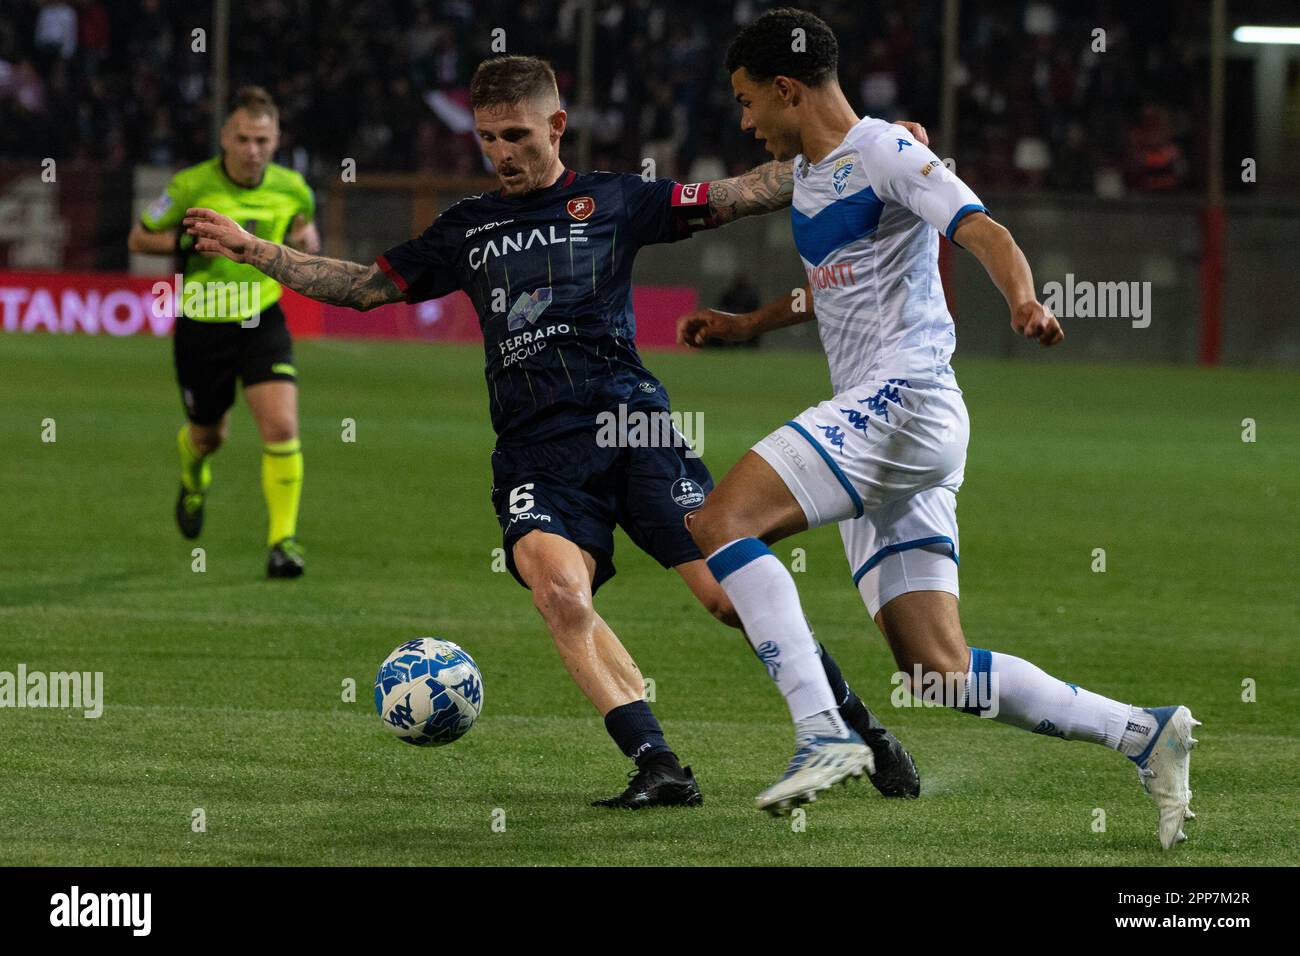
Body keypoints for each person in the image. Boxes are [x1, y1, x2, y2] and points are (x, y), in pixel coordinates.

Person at [183, 56, 924, 809]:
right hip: (536, 451)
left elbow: (743, 192)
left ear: (556, 126)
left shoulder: (616, 200)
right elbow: (367, 288)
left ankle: (860, 729)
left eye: (516, 134)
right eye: (487, 138)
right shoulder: (467, 228)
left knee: (732, 598)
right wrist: (257, 251)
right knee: (560, 594)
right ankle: (658, 764)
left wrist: (861, 151)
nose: (501, 153)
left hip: (633, 427)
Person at [677, 8, 1197, 843]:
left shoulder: (887, 150)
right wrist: (750, 323)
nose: (744, 121)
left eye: (746, 102)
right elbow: (837, 286)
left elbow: (981, 227)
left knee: (719, 521)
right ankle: (1144, 732)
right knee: (938, 672)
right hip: (890, 431)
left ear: (785, 89)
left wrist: (1023, 299)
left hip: (905, 401)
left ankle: (821, 731)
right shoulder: (813, 175)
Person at [129, 85, 319, 578]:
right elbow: (139, 236)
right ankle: (194, 478)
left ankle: (283, 542)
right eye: (243, 139)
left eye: (262, 139)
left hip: (263, 321)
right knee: (209, 435)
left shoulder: (293, 188)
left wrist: (305, 239)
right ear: (225, 138)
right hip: (202, 325)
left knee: (281, 426)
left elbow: (304, 233)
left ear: (276, 139)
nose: (253, 149)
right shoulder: (191, 185)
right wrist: (186, 239)